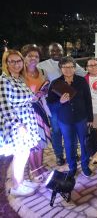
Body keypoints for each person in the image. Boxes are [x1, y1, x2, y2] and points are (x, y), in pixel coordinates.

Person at [0, 50, 41, 197]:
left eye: (19, 61)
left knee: (24, 154)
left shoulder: (18, 79)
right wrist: (18, 125)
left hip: (26, 120)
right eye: (12, 61)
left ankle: (21, 181)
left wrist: (33, 98)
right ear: (6, 63)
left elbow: (24, 97)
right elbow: (4, 106)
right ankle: (17, 186)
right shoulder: (4, 80)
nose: (16, 64)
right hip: (17, 125)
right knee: (20, 154)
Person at [37, 42, 85, 166]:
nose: (56, 53)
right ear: (49, 52)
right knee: (57, 131)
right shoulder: (42, 65)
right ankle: (59, 155)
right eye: (53, 51)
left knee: (71, 130)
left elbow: (83, 74)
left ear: (62, 51)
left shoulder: (69, 62)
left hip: (70, 104)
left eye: (58, 51)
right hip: (54, 105)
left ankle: (73, 153)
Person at [47, 56, 93, 177]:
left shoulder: (82, 81)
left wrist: (90, 118)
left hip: (81, 118)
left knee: (84, 143)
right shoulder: (55, 83)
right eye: (65, 67)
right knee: (69, 144)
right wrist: (59, 102)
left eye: (71, 66)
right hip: (65, 120)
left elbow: (88, 100)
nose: (68, 69)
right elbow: (50, 104)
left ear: (74, 67)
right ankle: (72, 167)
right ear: (60, 68)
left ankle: (84, 165)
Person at [21, 44, 51, 182]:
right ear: (24, 58)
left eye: (36, 56)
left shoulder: (42, 72)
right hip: (27, 111)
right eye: (30, 56)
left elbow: (45, 87)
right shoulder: (19, 74)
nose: (33, 58)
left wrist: (43, 90)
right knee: (32, 142)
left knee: (42, 139)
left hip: (40, 108)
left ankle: (40, 165)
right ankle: (34, 169)